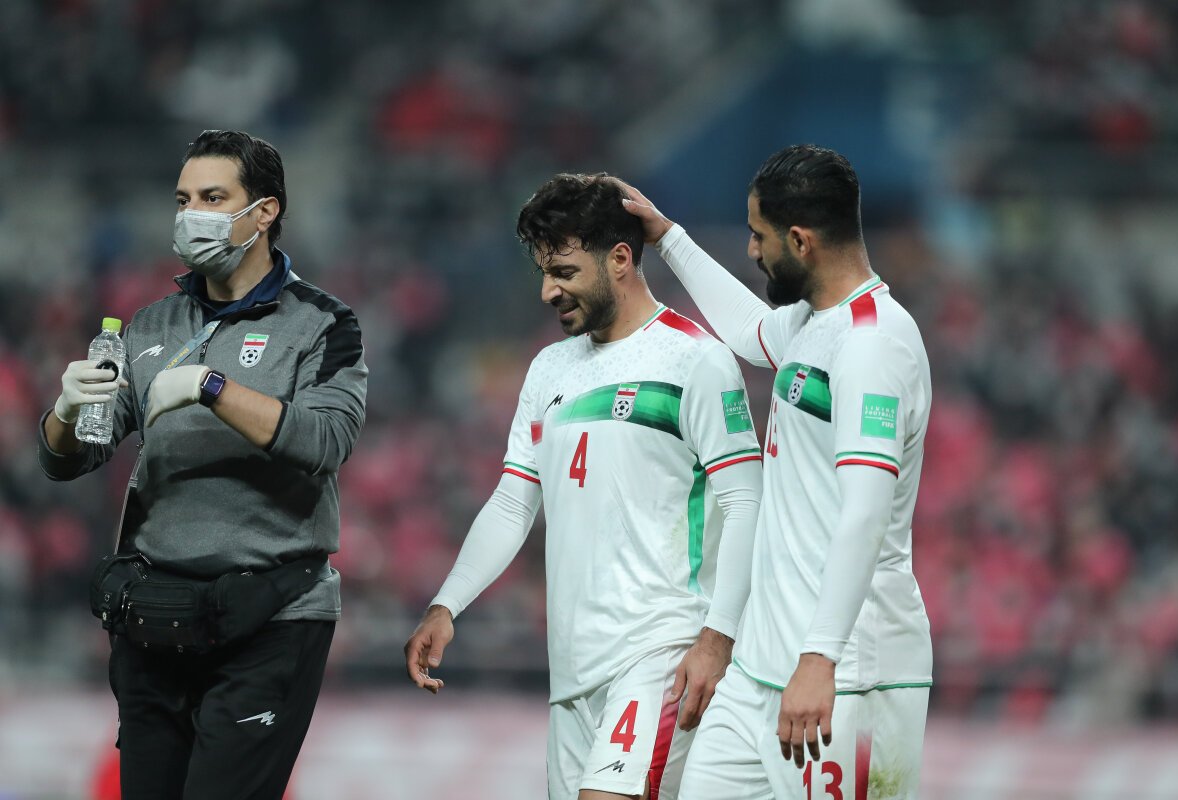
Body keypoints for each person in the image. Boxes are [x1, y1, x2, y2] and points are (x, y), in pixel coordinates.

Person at [404, 173, 763, 800]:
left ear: (620, 258)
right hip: (571, 672)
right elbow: (514, 501)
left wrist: (717, 637)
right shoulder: (549, 369)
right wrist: (448, 603)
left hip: (662, 650)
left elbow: (744, 500)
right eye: (544, 273)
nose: (548, 291)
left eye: (565, 272)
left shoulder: (696, 360)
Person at [38, 129, 367, 800]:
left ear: (264, 211)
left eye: (213, 198)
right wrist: (65, 412)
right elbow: (68, 461)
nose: (192, 215)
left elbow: (327, 441)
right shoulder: (148, 326)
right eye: (183, 199)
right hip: (154, 615)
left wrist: (211, 387)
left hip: (270, 618)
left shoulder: (324, 325)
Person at [619, 145, 932, 799]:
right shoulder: (815, 324)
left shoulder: (874, 346)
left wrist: (820, 658)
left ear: (800, 240)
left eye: (760, 237)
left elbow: (865, 513)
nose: (752, 251)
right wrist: (666, 236)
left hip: (848, 677)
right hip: (761, 671)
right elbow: (751, 330)